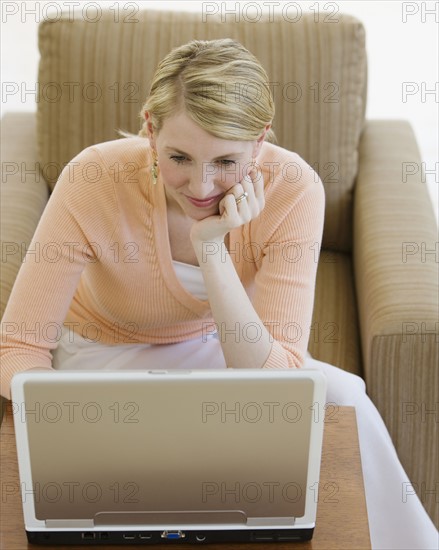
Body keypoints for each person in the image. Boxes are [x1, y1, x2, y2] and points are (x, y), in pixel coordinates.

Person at [0, 39, 437, 549]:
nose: (201, 186)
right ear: (150, 129)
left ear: (259, 143)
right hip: (103, 353)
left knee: (345, 397)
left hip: (220, 346)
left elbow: (271, 378)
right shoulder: (93, 178)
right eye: (179, 157)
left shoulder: (294, 188)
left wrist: (211, 248)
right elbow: (18, 348)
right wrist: (69, 420)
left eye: (227, 161)